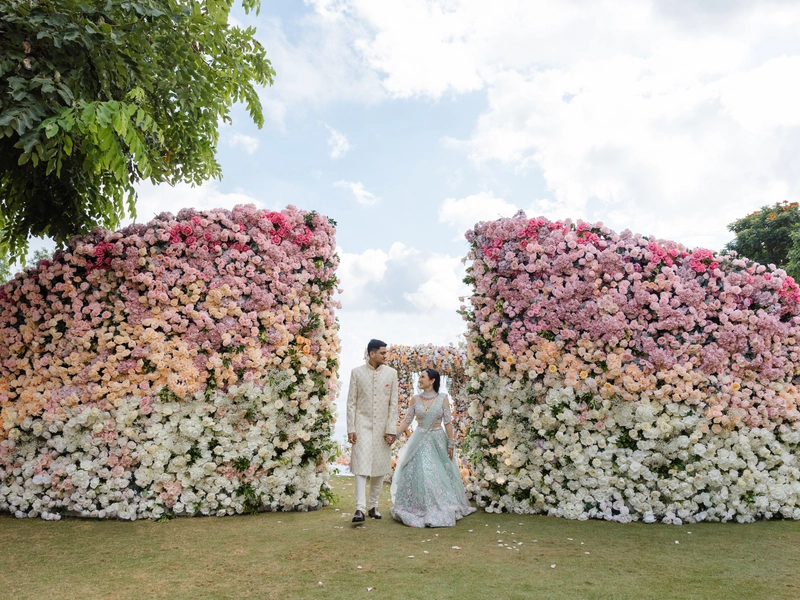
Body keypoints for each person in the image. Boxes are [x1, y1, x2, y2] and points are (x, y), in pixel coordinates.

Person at [390, 368, 476, 527]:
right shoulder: (415, 399)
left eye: (422, 377)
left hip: (437, 439)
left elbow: (448, 423)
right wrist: (394, 435)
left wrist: (451, 443)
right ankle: (419, 505)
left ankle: (439, 504)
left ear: (432, 380)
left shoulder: (443, 398)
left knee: (437, 472)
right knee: (421, 470)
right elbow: (407, 421)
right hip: (420, 440)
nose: (419, 379)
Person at [346, 339, 399, 522]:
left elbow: (394, 404)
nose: (386, 356)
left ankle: (372, 506)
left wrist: (391, 429)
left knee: (380, 466)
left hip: (383, 428)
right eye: (383, 353)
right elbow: (351, 403)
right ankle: (359, 509)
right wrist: (351, 428)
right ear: (372, 354)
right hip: (362, 425)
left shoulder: (392, 374)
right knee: (360, 466)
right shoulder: (357, 373)